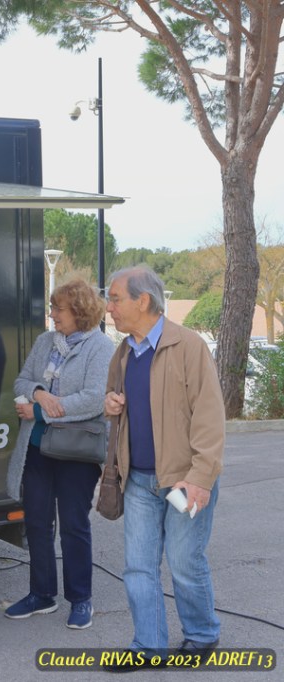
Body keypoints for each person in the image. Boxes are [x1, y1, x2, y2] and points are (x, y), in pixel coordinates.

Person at [102, 265, 224, 672]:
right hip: (138, 480)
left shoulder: (188, 346)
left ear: (143, 301)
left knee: (185, 561)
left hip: (183, 480)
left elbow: (210, 418)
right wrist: (110, 403)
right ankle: (147, 645)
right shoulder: (124, 351)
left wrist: (201, 478)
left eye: (115, 299)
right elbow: (116, 398)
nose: (109, 307)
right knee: (138, 566)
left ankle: (202, 635)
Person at [4, 279, 114, 629]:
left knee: (73, 526)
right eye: (52, 308)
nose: (52, 315)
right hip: (37, 449)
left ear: (80, 311)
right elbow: (21, 381)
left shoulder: (101, 347)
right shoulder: (44, 342)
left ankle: (80, 599)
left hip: (76, 454)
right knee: (36, 523)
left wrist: (41, 410)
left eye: (58, 309)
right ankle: (42, 595)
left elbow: (94, 399)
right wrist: (39, 393)